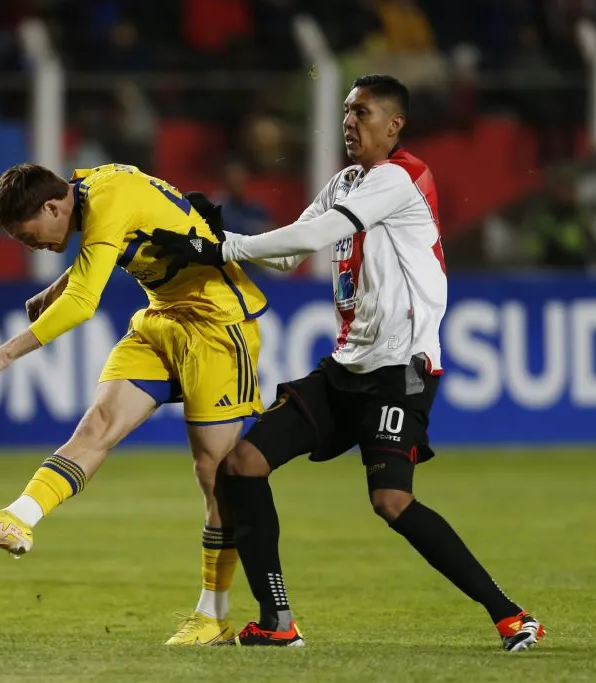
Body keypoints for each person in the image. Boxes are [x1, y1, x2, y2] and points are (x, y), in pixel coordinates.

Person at [149, 74, 545, 652]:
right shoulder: (346, 182)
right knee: (242, 464)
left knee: (391, 502)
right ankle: (277, 621)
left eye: (362, 111)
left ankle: (511, 614)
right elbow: (290, 253)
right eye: (345, 111)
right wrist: (212, 232)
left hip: (400, 370)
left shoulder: (401, 176)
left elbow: (324, 233)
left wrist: (223, 248)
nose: (349, 122)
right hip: (346, 368)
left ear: (395, 124)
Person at [0, 162, 296, 645]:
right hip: (161, 318)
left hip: (217, 323)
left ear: (52, 207)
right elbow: (104, 249)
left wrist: (5, 353)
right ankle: (18, 519)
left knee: (216, 474)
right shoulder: (89, 189)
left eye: (29, 236)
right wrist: (55, 287)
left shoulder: (109, 195)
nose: (31, 248)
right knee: (97, 425)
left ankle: (212, 615)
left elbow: (86, 301)